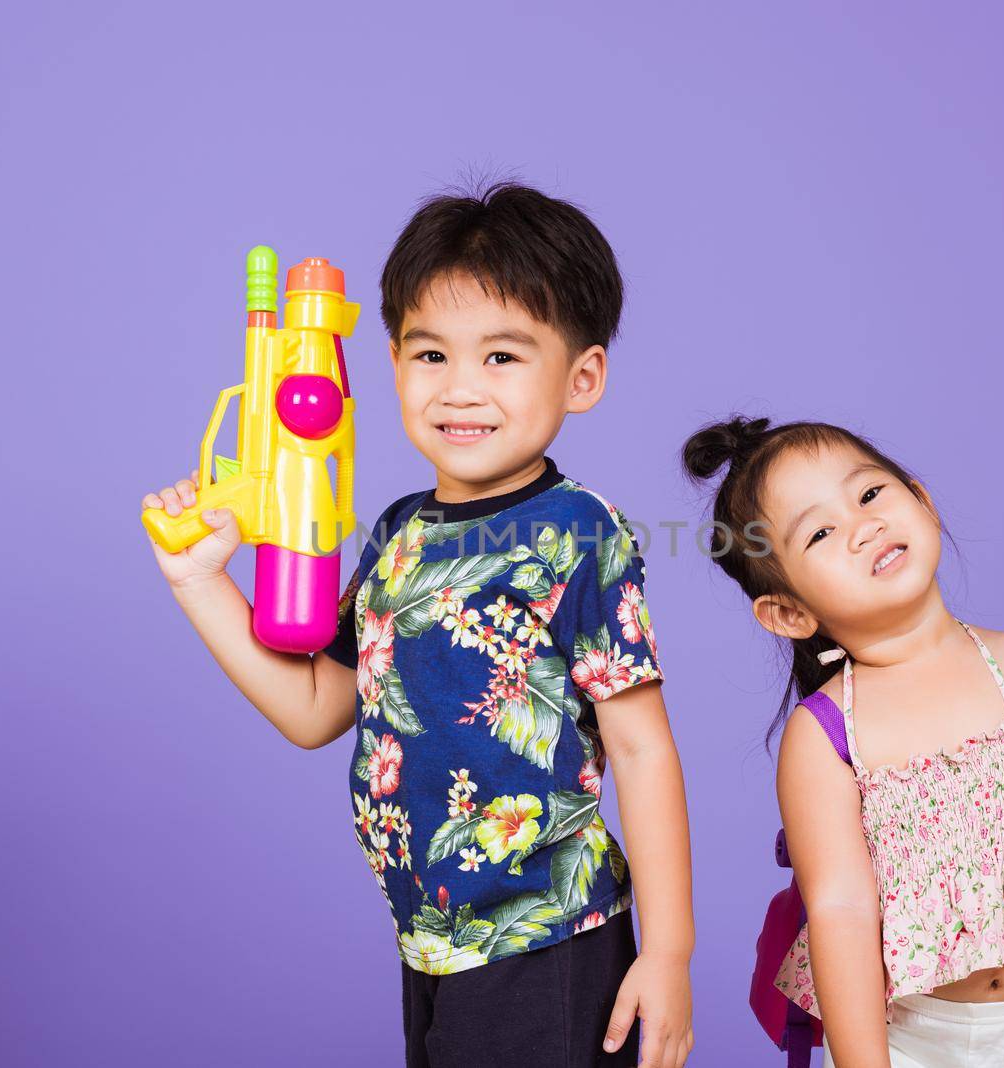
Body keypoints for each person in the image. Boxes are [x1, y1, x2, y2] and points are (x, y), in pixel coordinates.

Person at [143, 184, 695, 1068]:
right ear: (394, 359)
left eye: (504, 356)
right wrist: (199, 582)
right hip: (431, 940)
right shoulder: (403, 531)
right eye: (431, 354)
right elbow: (319, 710)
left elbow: (641, 750)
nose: (461, 388)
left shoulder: (576, 532)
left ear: (581, 378)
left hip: (547, 942)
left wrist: (668, 956)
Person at [681, 416, 1004, 1067]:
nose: (863, 525)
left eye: (870, 494)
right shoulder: (825, 736)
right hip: (916, 1041)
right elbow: (840, 912)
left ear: (921, 499)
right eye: (820, 532)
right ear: (789, 612)